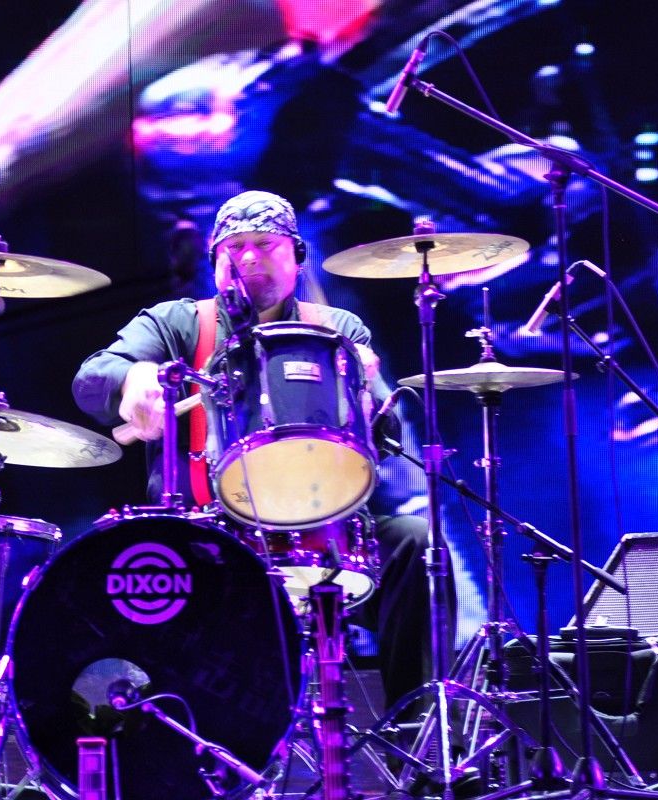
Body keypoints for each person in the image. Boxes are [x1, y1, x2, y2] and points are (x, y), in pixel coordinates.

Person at [73, 189, 450, 723]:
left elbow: (385, 437)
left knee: (415, 544)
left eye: (266, 244)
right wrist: (133, 378)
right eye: (235, 246)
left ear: (297, 256)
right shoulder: (179, 324)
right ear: (215, 261)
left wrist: (364, 392)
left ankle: (415, 731)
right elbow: (93, 376)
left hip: (324, 529)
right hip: (207, 535)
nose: (249, 256)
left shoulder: (339, 329)